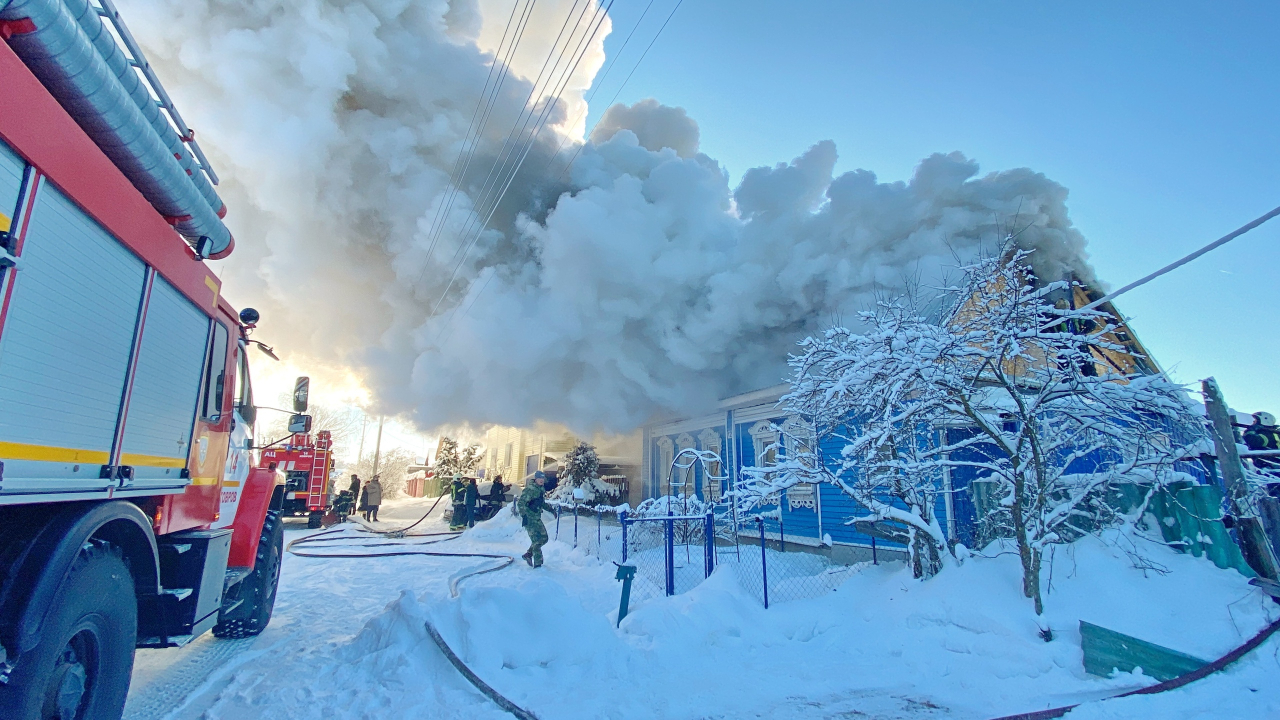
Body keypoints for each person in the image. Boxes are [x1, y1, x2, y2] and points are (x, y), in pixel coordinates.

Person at [517, 471, 548, 568]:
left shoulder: (540, 489)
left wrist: (551, 510)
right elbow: (520, 503)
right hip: (529, 519)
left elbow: (541, 503)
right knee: (536, 540)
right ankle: (538, 564)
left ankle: (528, 554)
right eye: (540, 478)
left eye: (543, 478)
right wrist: (524, 516)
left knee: (544, 538)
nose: (542, 480)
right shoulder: (530, 490)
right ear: (536, 479)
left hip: (536, 518)